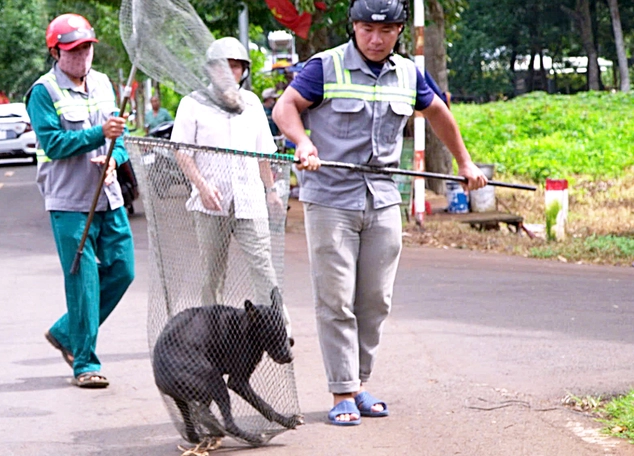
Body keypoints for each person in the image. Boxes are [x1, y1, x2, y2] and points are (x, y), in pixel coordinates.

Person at [272, 0, 487, 425]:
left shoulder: (408, 73)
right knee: (335, 298)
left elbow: (438, 111)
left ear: (399, 31)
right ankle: (341, 392)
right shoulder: (325, 66)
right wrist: (302, 143)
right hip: (331, 197)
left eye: (386, 31)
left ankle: (359, 383)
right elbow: (285, 107)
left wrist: (464, 162)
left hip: (384, 197)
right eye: (367, 29)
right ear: (353, 27)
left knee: (375, 299)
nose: (376, 38)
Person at [25, 13, 135, 389]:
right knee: (83, 281)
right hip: (70, 202)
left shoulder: (104, 84)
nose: (83, 56)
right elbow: (53, 143)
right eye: (74, 50)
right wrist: (97, 135)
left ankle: (65, 331)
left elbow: (119, 137)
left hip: (108, 196)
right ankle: (85, 363)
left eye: (87, 47)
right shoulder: (43, 92)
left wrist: (114, 158)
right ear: (55, 52)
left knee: (123, 269)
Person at [170, 37, 291, 333]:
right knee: (213, 271)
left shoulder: (250, 104)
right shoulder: (192, 104)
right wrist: (201, 186)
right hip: (210, 201)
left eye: (237, 67)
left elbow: (263, 152)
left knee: (263, 264)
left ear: (244, 71)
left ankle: (278, 325)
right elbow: (182, 151)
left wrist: (271, 190)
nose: (230, 73)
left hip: (249, 198)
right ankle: (211, 328)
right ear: (211, 70)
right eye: (224, 67)